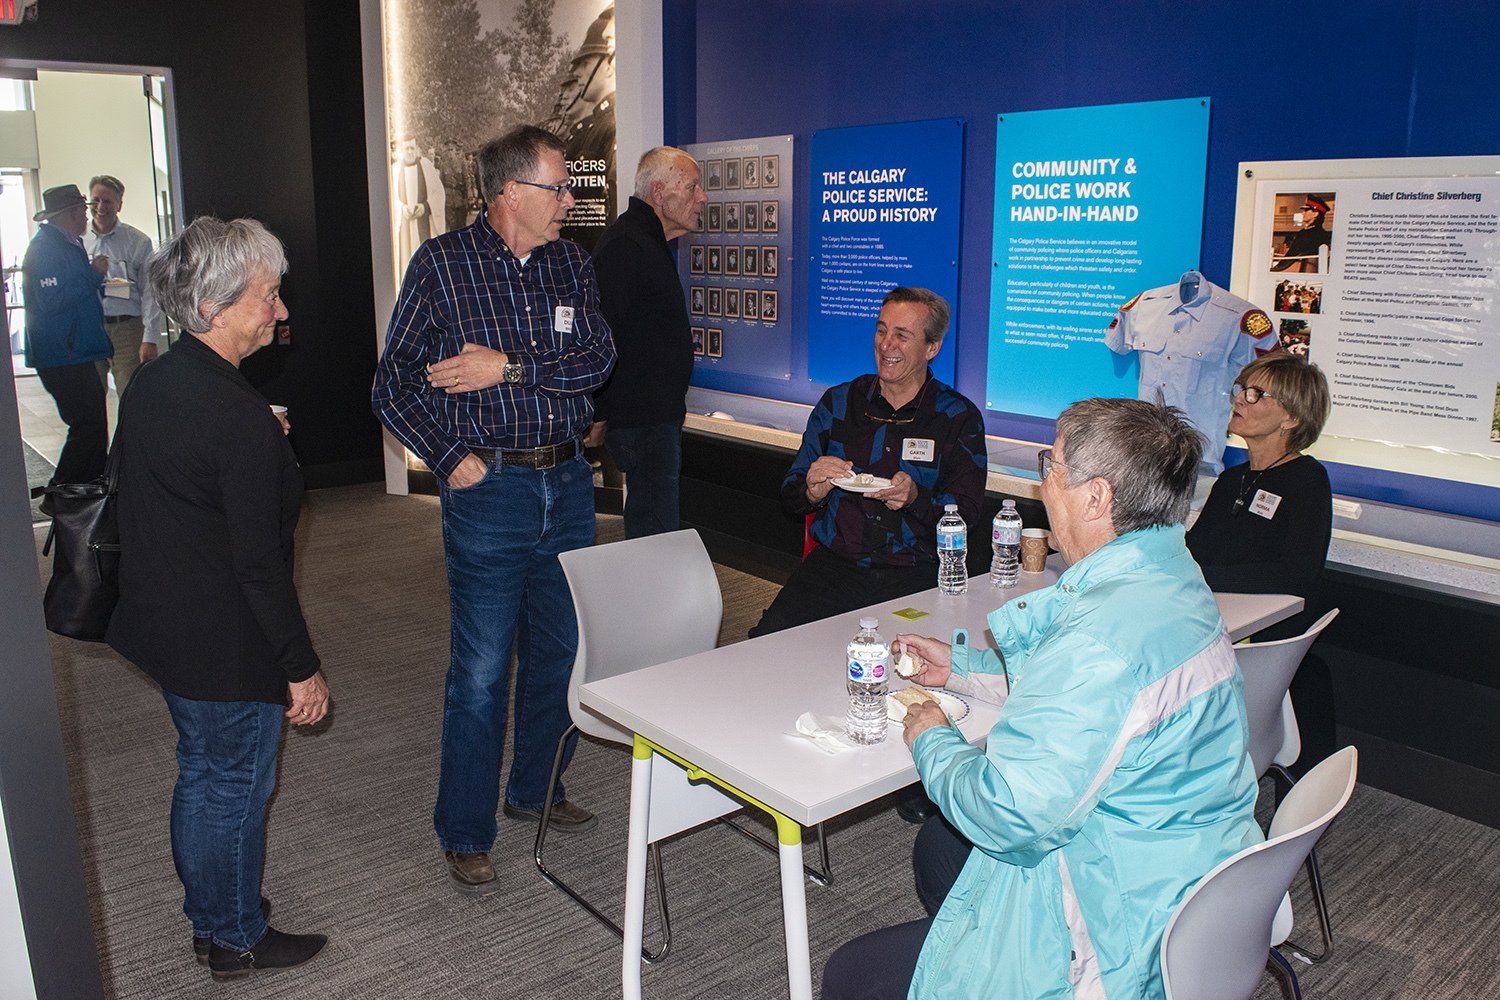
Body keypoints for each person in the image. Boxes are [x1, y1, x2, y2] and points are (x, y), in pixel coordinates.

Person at [822, 398, 1261, 1000]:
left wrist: (931, 737)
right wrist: (961, 672)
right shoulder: (1171, 579)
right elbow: (1092, 697)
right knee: (941, 849)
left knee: (852, 975)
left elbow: (1006, 815)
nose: (1042, 480)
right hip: (1180, 872)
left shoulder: (1100, 640)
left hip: (1113, 932)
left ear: (1096, 497)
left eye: (1050, 465)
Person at [372, 125, 616, 890]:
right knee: (480, 671)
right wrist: (449, 459)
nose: (569, 200)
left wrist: (506, 368)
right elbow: (392, 384)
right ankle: (466, 830)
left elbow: (597, 360)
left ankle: (535, 790)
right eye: (558, 187)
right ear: (511, 192)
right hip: (491, 491)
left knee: (562, 654)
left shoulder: (571, 264)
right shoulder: (442, 265)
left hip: (567, 485)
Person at [105, 217, 330, 980]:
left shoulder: (158, 382)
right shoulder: (234, 416)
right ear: (212, 307)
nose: (279, 310)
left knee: (203, 772)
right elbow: (260, 567)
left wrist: (254, 450)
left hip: (167, 622)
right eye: (268, 296)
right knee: (234, 783)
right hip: (225, 638)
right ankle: (236, 937)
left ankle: (210, 920)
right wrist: (300, 668)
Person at [750, 287, 985, 638]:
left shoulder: (957, 418)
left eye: (902, 335)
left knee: (904, 663)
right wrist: (811, 491)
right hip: (834, 567)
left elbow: (967, 515)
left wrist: (915, 498)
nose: (886, 344)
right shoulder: (840, 403)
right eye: (881, 330)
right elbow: (790, 493)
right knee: (765, 644)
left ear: (932, 348)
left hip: (915, 574)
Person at [1187, 353, 1335, 771]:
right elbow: (1194, 551)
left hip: (1260, 644)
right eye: (1241, 390)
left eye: (1257, 394)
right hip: (1217, 624)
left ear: (1291, 417)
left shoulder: (1307, 480)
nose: (1240, 399)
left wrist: (1204, 577)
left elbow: (1295, 574)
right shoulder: (1232, 480)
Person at [587, 146, 706, 538]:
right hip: (641, 421)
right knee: (653, 532)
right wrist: (599, 412)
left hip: (653, 418)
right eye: (692, 187)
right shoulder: (627, 245)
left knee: (655, 527)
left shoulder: (647, 241)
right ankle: (650, 581)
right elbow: (602, 334)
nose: (702, 197)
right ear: (659, 192)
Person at [21, 184, 112, 494]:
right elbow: (52, 300)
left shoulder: (65, 244)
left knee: (92, 425)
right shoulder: (46, 249)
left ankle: (86, 492)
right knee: (88, 425)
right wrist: (93, 275)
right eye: (83, 211)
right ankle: (64, 491)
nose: (86, 217)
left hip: (74, 352)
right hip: (63, 354)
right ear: (71, 214)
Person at [87, 174, 166, 392]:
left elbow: (150, 292)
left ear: (119, 205)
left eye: (107, 201)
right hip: (91, 329)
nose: (100, 207)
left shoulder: (137, 241)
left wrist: (150, 338)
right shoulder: (79, 239)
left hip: (127, 330)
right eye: (96, 200)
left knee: (131, 393)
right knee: (91, 396)